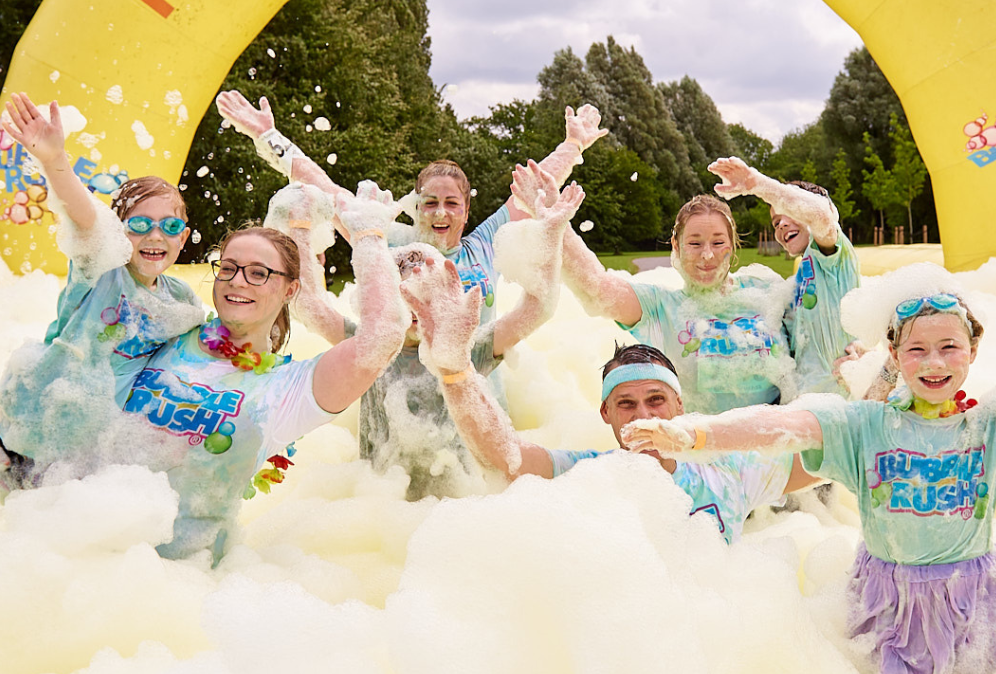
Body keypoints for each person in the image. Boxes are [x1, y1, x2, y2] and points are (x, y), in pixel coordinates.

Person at [621, 268, 996, 674]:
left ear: (974, 350)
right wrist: (696, 434)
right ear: (894, 351)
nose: (934, 362)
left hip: (974, 599)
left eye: (949, 347)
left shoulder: (995, 426)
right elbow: (785, 423)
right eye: (917, 349)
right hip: (887, 602)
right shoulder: (866, 425)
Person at [399, 256, 818, 545]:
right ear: (606, 414)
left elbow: (830, 457)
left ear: (680, 406)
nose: (644, 416)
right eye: (626, 405)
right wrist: (456, 372)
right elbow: (502, 457)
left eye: (656, 400)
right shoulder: (589, 475)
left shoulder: (728, 471)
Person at [122, 181, 408, 563]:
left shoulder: (290, 391)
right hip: (80, 537)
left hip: (178, 578)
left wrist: (370, 234)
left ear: (291, 290)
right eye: (229, 268)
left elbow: (383, 337)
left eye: (259, 273)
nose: (238, 281)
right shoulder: (171, 327)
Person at [268, 174, 585, 499]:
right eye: (406, 296)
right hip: (380, 502)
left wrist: (551, 235)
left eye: (427, 296)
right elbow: (308, 303)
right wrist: (300, 226)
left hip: (459, 498)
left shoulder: (468, 350)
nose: (417, 309)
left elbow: (538, 309)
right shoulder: (368, 344)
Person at [214, 90, 607, 325]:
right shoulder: (384, 239)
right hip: (399, 397)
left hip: (475, 388)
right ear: (414, 206)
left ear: (466, 211)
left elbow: (533, 189)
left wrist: (573, 146)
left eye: (451, 203)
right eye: (430, 202)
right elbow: (325, 187)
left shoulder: (485, 245)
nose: (440, 213)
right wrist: (268, 135)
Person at [0, 92, 204, 483]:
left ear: (184, 237)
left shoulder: (181, 299)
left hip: (96, 440)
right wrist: (55, 160)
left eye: (170, 226)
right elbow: (88, 220)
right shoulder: (103, 268)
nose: (155, 235)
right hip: (35, 425)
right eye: (140, 224)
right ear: (118, 232)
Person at [552, 153, 794, 414]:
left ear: (733, 245)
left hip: (775, 440)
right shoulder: (660, 307)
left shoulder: (766, 289)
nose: (707, 255)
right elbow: (596, 288)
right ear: (676, 247)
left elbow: (819, 317)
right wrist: (553, 220)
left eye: (718, 242)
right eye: (694, 243)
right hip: (702, 445)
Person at [709, 156, 859, 395]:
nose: (780, 225)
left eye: (789, 212)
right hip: (804, 397)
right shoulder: (801, 277)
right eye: (776, 221)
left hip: (839, 396)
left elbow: (820, 216)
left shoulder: (835, 260)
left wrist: (755, 183)